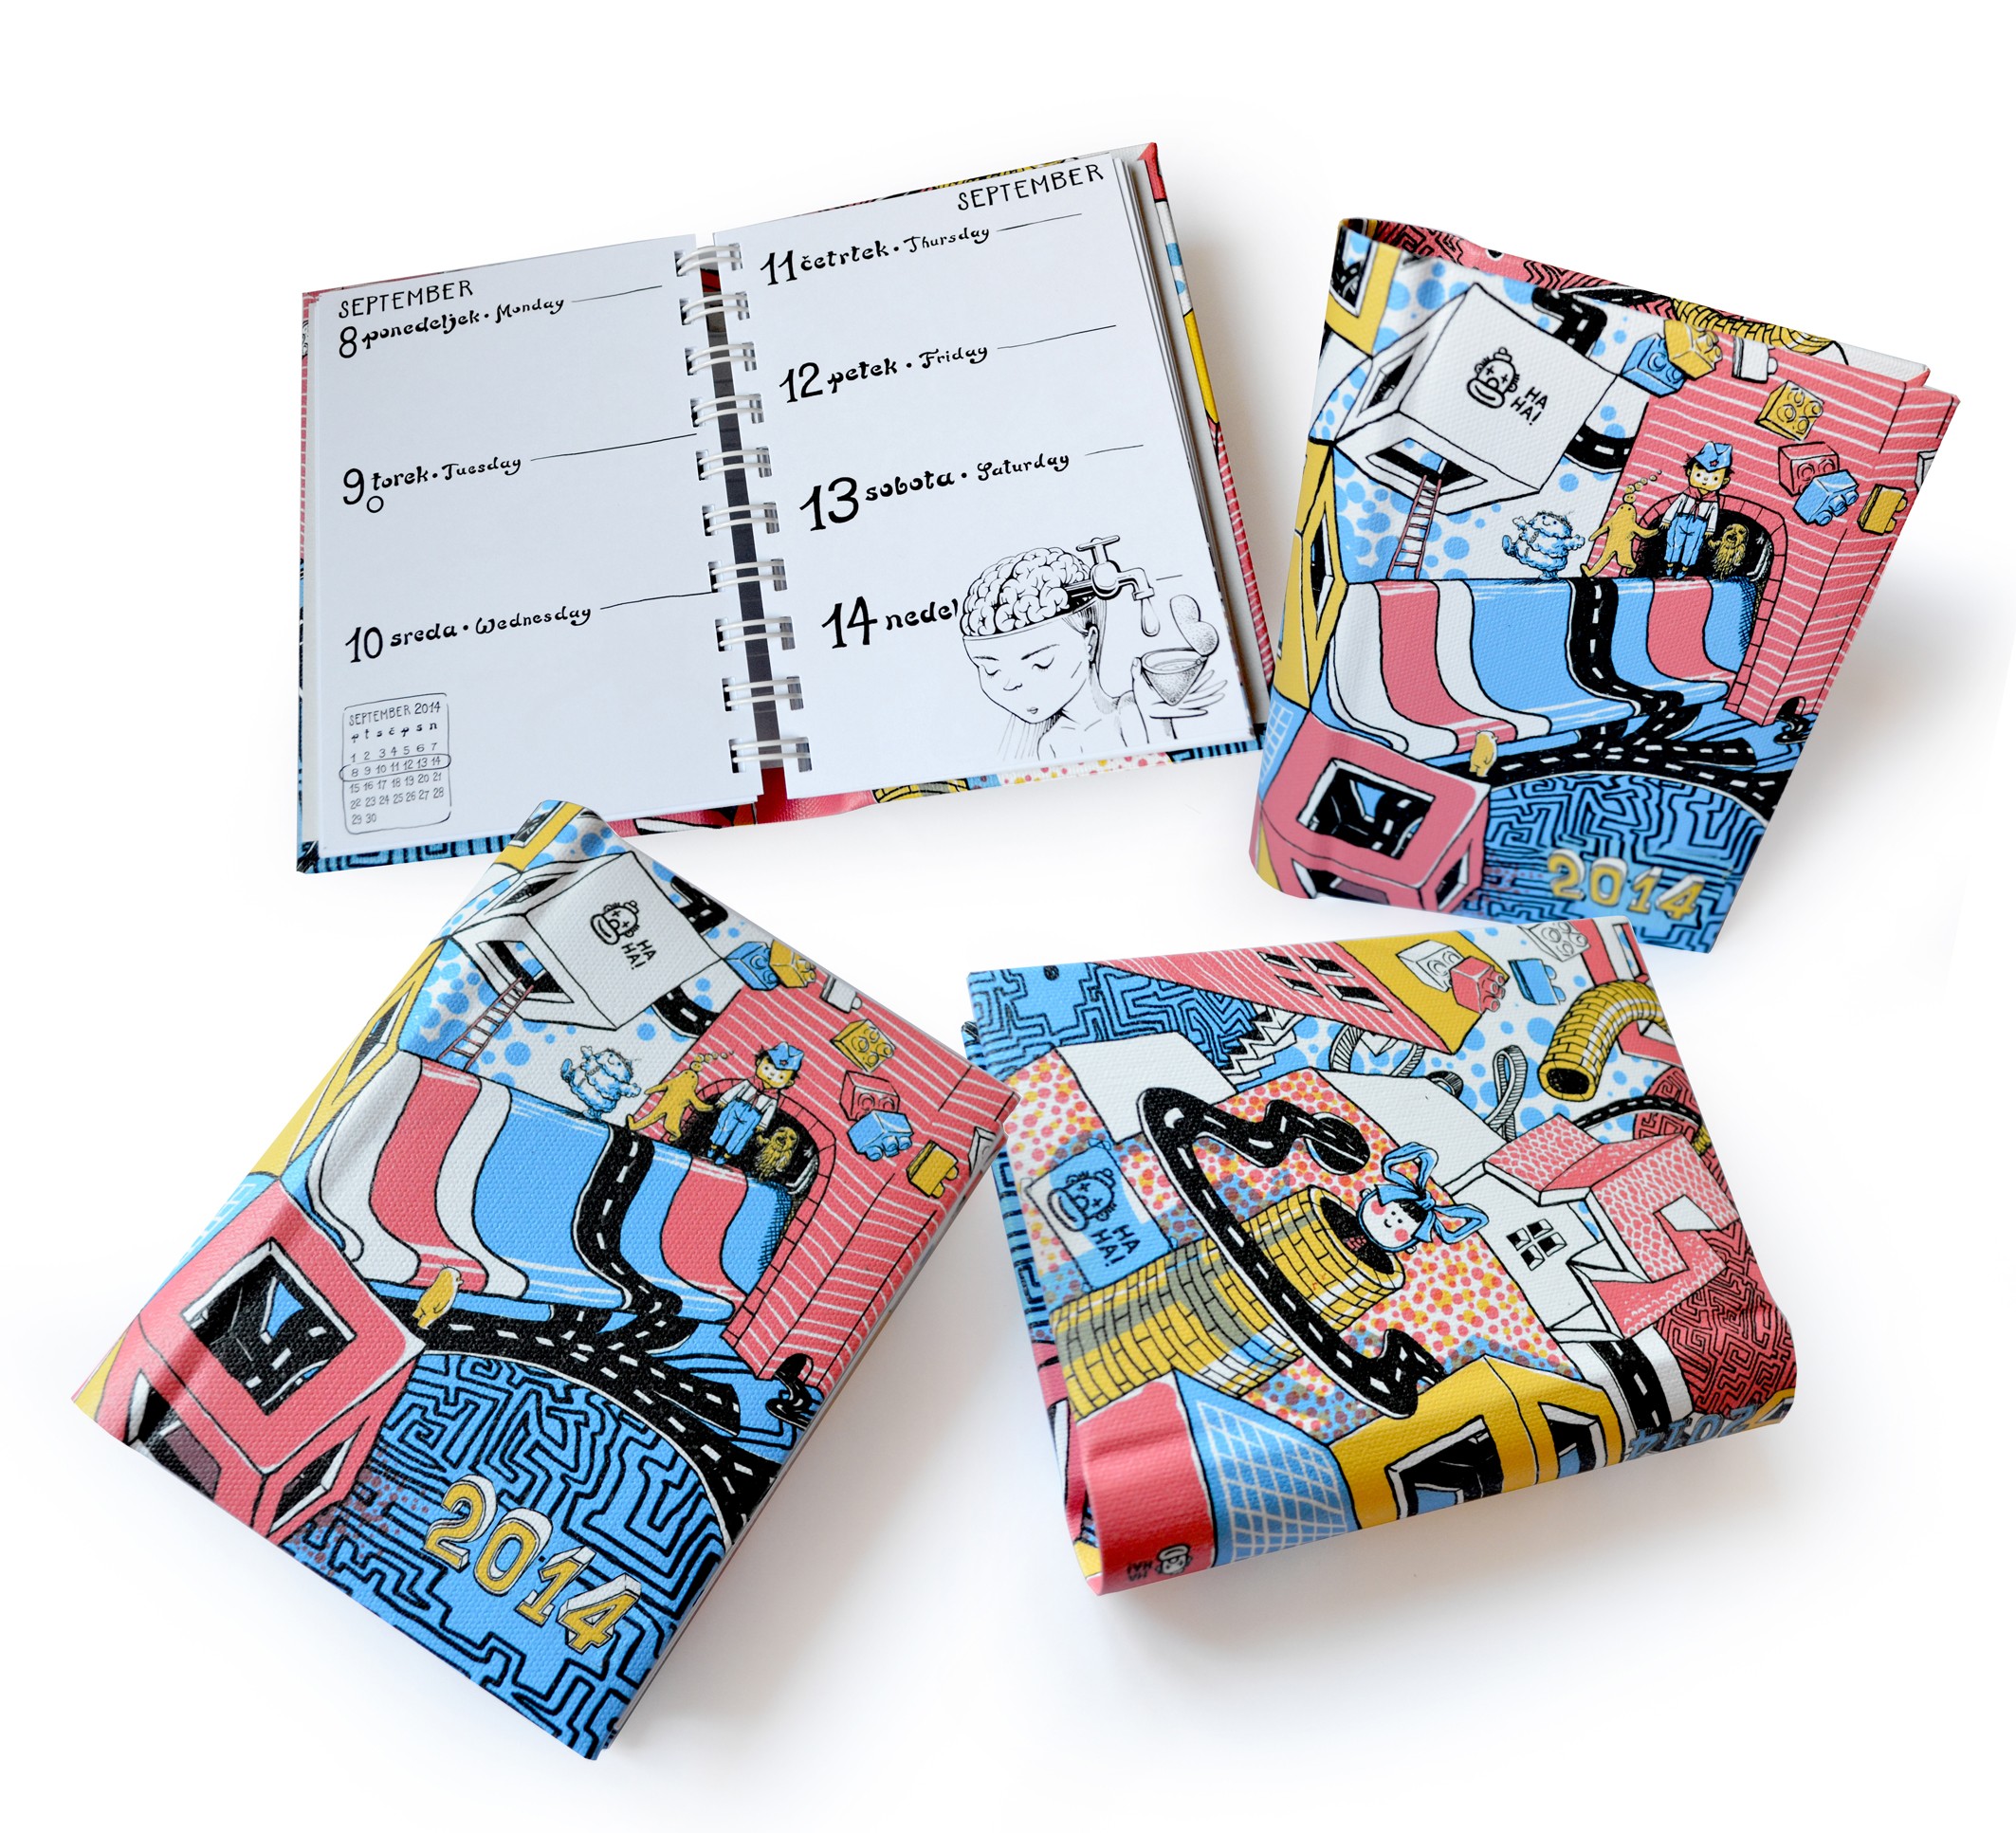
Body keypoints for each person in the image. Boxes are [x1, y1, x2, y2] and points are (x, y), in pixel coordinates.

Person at [1655, 442, 1734, 577]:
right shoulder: (1686, 494)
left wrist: (1710, 529)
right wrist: (1667, 520)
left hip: (1699, 524)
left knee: (1692, 547)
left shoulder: (1713, 501)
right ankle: (1670, 564)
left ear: (1725, 481)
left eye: (1715, 478)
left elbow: (1713, 515)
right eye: (1699, 475)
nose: (1705, 481)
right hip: (1680, 520)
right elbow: (1675, 506)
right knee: (1674, 542)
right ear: (1689, 472)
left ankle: (1684, 568)